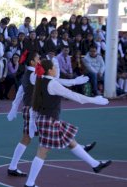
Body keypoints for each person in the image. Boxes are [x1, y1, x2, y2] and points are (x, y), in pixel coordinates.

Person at [24, 59, 111, 187]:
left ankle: (95, 164)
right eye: (54, 67)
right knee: (42, 152)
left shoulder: (40, 81)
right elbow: (74, 96)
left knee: (70, 140)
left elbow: (34, 105)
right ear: (49, 70)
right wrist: (94, 100)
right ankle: (29, 183)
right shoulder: (52, 84)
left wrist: (32, 122)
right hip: (49, 121)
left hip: (45, 120)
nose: (56, 69)